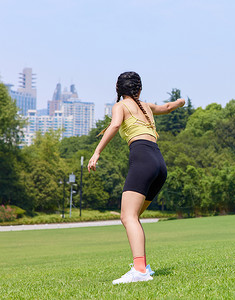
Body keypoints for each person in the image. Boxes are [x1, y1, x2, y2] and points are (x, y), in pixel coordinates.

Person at [87, 72, 185, 284]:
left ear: (119, 90)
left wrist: (96, 153)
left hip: (142, 159)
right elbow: (167, 108)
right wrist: (180, 102)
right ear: (138, 89)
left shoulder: (121, 106)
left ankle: (139, 270)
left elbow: (114, 126)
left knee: (128, 217)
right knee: (133, 217)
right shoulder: (146, 106)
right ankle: (143, 267)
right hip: (159, 163)